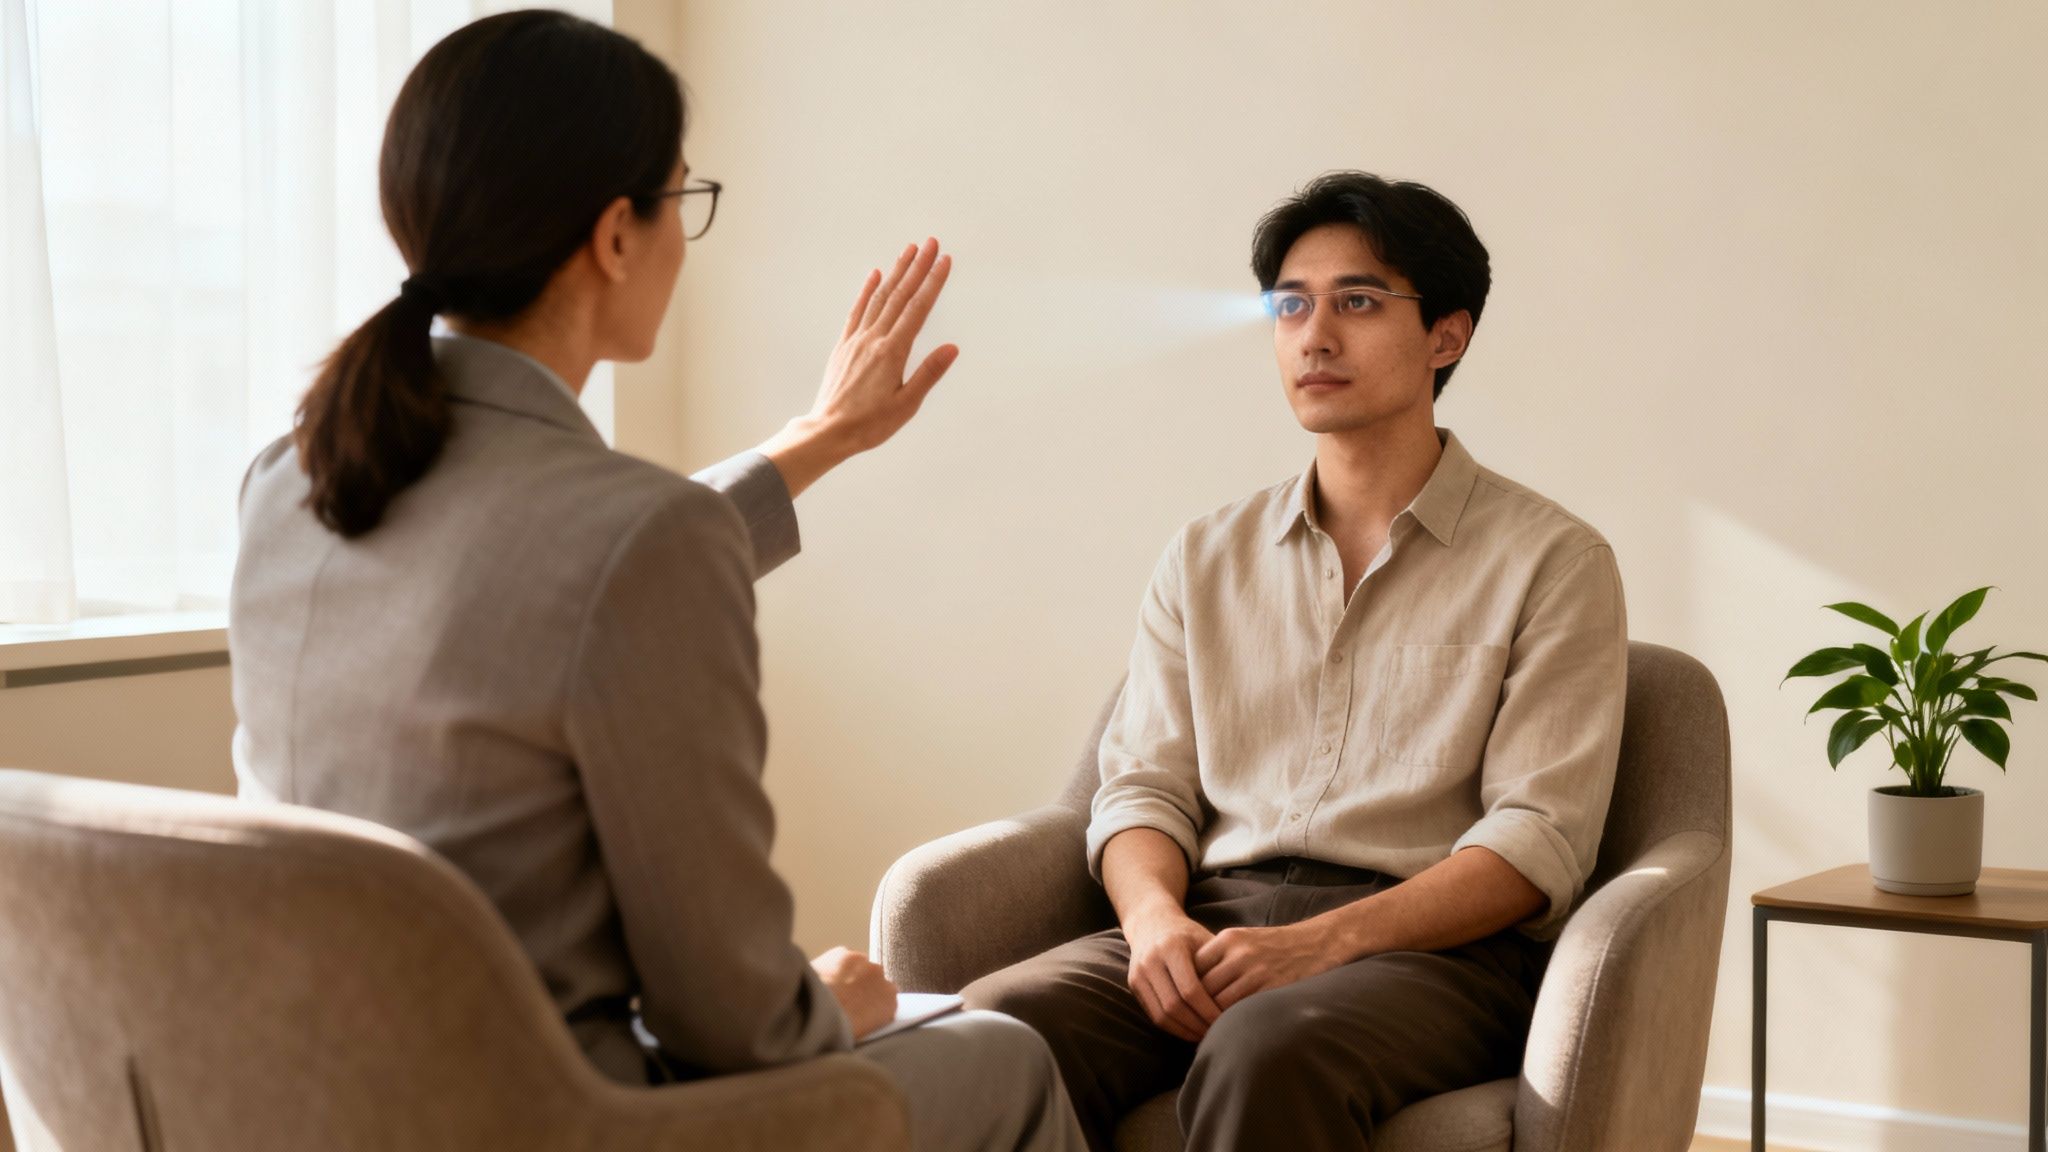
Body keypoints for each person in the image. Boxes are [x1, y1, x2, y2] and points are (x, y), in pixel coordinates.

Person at [227, 11, 1083, 1151]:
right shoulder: (634, 540)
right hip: (554, 1119)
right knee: (1005, 1058)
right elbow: (735, 1026)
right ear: (613, 236)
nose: (687, 233)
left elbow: (538, 580)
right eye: (681, 197)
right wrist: (829, 999)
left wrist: (816, 438)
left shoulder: (289, 479)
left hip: (315, 1099)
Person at [962, 171, 1630, 1151]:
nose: (1313, 335)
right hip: (1210, 917)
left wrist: (1321, 943)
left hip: (1432, 951)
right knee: (991, 1030)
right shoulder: (1202, 556)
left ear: (1446, 336)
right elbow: (1142, 786)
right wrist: (1151, 924)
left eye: (1356, 302)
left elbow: (1537, 840)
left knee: (1267, 1046)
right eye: (1289, 305)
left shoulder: (1553, 561)